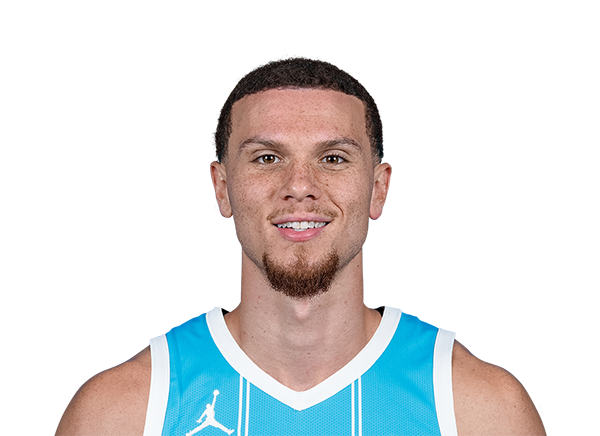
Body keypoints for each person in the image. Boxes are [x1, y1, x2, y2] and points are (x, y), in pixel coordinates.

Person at [56, 55, 546, 435]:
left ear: (378, 189)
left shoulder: (481, 411)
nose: (299, 186)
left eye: (333, 158)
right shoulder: (122, 413)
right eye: (267, 158)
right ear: (222, 189)